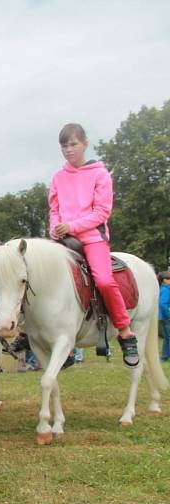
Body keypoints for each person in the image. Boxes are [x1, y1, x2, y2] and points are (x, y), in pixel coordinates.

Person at [48, 123, 139, 367]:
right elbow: (54, 210)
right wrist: (54, 228)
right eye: (64, 145)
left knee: (104, 281)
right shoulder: (58, 178)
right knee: (40, 276)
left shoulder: (100, 174)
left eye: (73, 144)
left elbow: (102, 212)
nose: (68, 150)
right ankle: (31, 332)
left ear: (85, 144)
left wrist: (72, 226)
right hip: (62, 239)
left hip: (92, 237)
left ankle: (125, 331)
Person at [159, 272, 170, 361]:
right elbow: (162, 304)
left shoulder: (165, 288)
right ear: (165, 280)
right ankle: (164, 356)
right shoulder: (166, 289)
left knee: (167, 338)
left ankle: (164, 357)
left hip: (164, 317)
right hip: (167, 317)